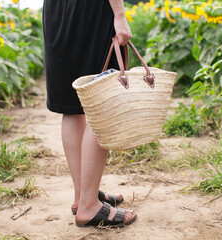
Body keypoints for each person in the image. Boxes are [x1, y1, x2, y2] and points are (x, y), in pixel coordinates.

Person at [42, 0, 137, 227]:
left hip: (56, 11)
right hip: (90, 10)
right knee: (100, 103)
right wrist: (120, 15)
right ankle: (88, 205)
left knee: (72, 107)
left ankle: (82, 196)